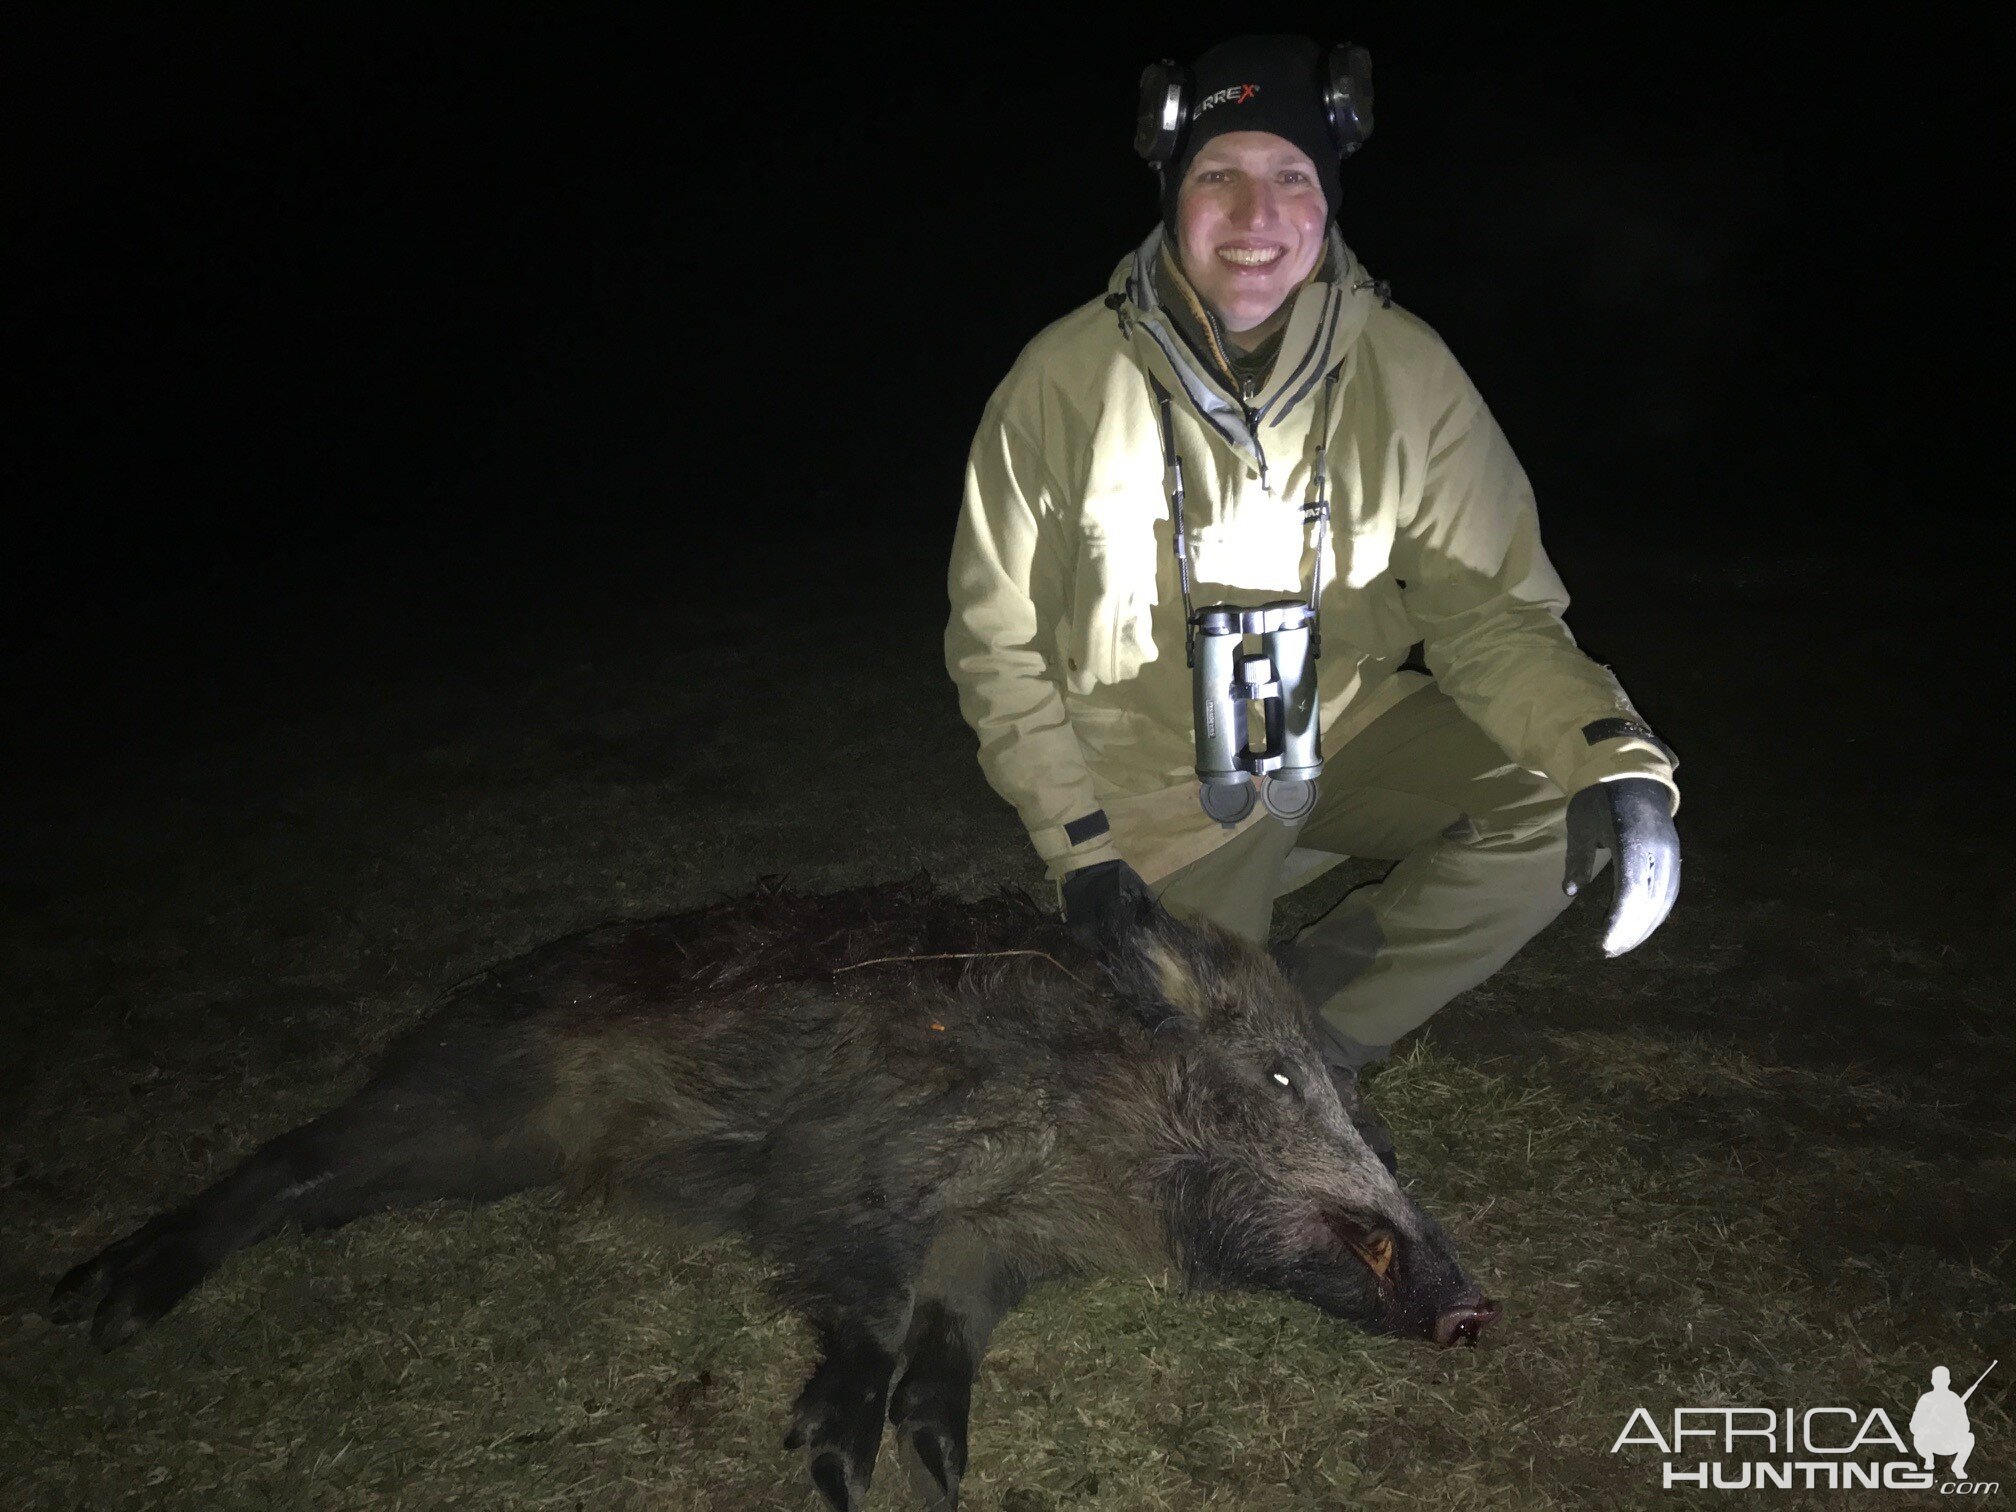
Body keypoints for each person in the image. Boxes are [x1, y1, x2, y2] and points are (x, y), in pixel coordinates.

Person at [944, 33, 1680, 1162]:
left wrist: (1612, 759)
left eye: (1292, 177)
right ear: (1171, 193)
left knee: (1549, 800)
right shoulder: (1061, 380)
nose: (1256, 212)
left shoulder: (1408, 368)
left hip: (1336, 725)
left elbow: (1491, 610)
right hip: (1156, 790)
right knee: (1163, 1120)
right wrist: (1080, 849)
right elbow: (997, 647)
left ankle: (1315, 1038)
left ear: (1328, 202)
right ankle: (1228, 1043)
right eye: (1217, 174)